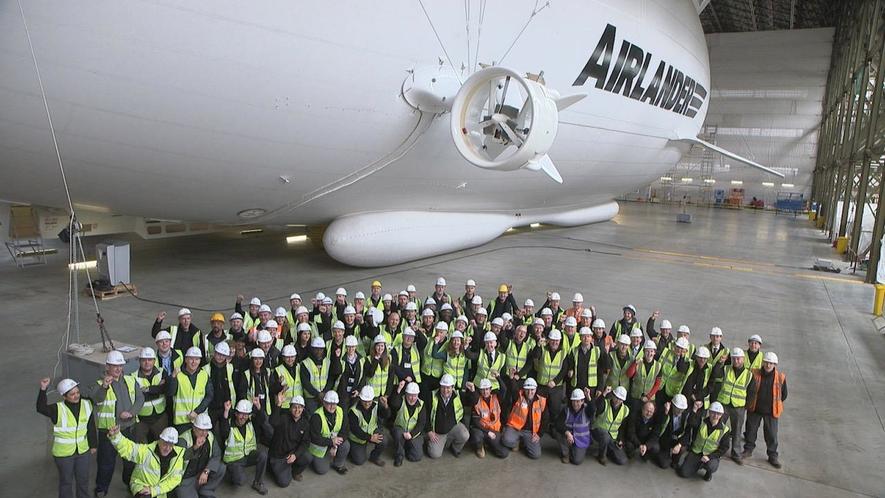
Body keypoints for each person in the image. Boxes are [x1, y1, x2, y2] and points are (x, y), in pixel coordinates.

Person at [88, 350, 143, 496]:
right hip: (109, 431)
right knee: (106, 462)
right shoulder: (100, 384)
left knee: (130, 460)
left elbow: (140, 399)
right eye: (114, 366)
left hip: (128, 428)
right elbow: (96, 399)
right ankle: (101, 488)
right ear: (107, 367)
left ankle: (130, 483)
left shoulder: (130, 380)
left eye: (120, 366)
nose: (118, 369)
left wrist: (131, 413)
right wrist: (104, 387)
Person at [37, 377, 97, 498]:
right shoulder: (57, 409)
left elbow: (90, 426)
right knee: (66, 483)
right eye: (72, 394)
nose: (76, 396)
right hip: (64, 455)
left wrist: (93, 445)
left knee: (83, 481)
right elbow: (41, 408)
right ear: (64, 396)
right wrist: (43, 389)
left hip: (83, 451)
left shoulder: (87, 404)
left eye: (77, 392)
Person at [108, 425, 185, 497]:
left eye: (171, 445)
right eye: (165, 443)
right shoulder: (146, 452)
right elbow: (129, 449)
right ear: (160, 440)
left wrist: (153, 490)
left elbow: (174, 479)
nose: (167, 448)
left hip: (159, 491)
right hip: (141, 485)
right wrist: (116, 436)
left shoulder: (177, 457)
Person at [713, 347, 756, 465]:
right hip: (724, 404)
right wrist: (720, 362)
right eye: (734, 359)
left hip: (738, 407)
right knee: (718, 428)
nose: (736, 361)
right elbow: (715, 374)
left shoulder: (748, 375)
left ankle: (736, 454)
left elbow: (752, 392)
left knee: (737, 431)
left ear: (743, 359)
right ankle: (714, 450)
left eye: (738, 359)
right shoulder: (726, 369)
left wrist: (746, 405)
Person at [743, 351, 786, 468]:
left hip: (771, 412)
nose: (768, 365)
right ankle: (748, 449)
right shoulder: (754, 373)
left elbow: (784, 394)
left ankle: (772, 455)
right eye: (766, 363)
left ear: (775, 365)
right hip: (755, 409)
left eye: (771, 363)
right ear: (763, 363)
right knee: (750, 431)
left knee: (771, 435)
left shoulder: (780, 377)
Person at [219, 398, 269, 494]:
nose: (243, 417)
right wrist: (226, 411)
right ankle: (230, 474)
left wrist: (258, 406)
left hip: (248, 456)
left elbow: (262, 419)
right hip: (234, 460)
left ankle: (258, 483)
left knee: (263, 455)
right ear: (236, 414)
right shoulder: (229, 425)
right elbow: (224, 432)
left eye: (246, 415)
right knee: (240, 481)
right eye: (241, 414)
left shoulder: (250, 423)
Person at [677, 401, 730, 481]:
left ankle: (708, 473)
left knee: (711, 466)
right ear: (709, 412)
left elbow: (724, 448)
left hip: (711, 456)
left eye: (718, 414)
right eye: (713, 413)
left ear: (721, 415)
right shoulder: (701, 422)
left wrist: (709, 457)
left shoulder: (724, 430)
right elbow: (691, 423)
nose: (715, 416)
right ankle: (695, 465)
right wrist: (694, 409)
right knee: (683, 473)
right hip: (696, 452)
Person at [267, 393, 312, 487]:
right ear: (290, 408)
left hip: (292, 453)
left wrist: (295, 455)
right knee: (284, 483)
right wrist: (278, 405)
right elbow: (273, 422)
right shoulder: (283, 418)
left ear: (303, 409)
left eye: (300, 407)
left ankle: (294, 471)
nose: (297, 410)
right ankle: (273, 467)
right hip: (279, 455)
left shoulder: (305, 423)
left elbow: (305, 442)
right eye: (294, 407)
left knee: (307, 457)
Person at [176, 413, 225, 498]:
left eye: (206, 430)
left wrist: (206, 471)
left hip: (201, 471)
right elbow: (178, 459)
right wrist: (195, 447)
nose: (204, 433)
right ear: (194, 428)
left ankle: (206, 491)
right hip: (186, 478)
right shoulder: (183, 439)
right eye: (201, 430)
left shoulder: (210, 436)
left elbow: (217, 455)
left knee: (221, 467)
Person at [167, 347, 212, 433]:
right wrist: (173, 377)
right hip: (181, 422)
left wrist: (197, 411)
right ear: (186, 359)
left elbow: (209, 396)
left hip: (199, 419)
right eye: (191, 359)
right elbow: (170, 392)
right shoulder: (178, 375)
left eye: (197, 359)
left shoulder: (204, 375)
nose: (194, 362)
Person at [502, 377, 547, 459]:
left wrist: (539, 434)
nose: (529, 392)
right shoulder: (518, 396)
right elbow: (513, 388)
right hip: (516, 428)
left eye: (532, 390)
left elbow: (545, 419)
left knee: (535, 455)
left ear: (536, 389)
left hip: (530, 432)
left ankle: (524, 442)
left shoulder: (541, 401)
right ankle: (517, 442)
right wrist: (512, 378)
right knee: (506, 441)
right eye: (527, 390)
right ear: (523, 389)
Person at [426, 373, 470, 458]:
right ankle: (441, 442)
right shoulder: (431, 396)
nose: (445, 390)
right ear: (440, 386)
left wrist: (472, 391)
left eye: (448, 387)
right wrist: (429, 431)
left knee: (465, 435)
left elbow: (472, 401)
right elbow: (425, 415)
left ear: (452, 387)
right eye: (443, 387)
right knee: (434, 454)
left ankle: (455, 448)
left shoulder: (458, 395)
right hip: (437, 431)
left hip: (453, 427)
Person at [308, 391, 350, 475]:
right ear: (323, 403)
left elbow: (345, 429)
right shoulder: (317, 416)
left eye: (334, 404)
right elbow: (314, 438)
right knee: (322, 470)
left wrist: (335, 445)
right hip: (318, 448)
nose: (332, 406)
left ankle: (338, 464)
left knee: (345, 445)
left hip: (332, 443)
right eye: (329, 403)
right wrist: (331, 442)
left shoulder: (340, 411)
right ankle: (314, 459)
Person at [131, 348, 168, 443]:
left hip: (160, 418)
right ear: (139, 361)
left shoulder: (162, 372)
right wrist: (157, 389)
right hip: (141, 419)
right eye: (144, 360)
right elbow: (137, 396)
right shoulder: (133, 377)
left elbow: (165, 389)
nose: (147, 362)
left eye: (150, 360)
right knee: (140, 448)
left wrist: (147, 389)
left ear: (154, 361)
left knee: (162, 444)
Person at [466, 378, 509, 459]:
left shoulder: (497, 398)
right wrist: (487, 432)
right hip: (482, 430)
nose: (485, 392)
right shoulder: (477, 400)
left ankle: (489, 443)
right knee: (476, 436)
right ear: (480, 390)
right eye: (483, 390)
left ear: (490, 389)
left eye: (487, 389)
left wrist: (498, 377)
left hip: (494, 431)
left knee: (504, 453)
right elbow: (476, 422)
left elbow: (504, 389)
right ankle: (479, 447)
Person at [347, 385, 388, 466]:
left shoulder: (376, 405)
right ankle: (351, 450)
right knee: (359, 461)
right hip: (357, 438)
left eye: (369, 401)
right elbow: (355, 430)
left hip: (372, 432)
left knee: (384, 441)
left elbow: (385, 416)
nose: (367, 404)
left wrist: (385, 406)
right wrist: (370, 438)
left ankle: (374, 457)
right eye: (364, 401)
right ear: (360, 399)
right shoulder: (353, 411)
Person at [390, 382, 427, 466]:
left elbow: (421, 423)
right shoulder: (401, 400)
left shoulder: (421, 404)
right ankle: (399, 455)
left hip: (413, 432)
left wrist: (411, 434)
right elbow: (394, 404)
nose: (412, 398)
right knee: (398, 433)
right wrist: (398, 390)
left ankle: (406, 446)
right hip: (400, 429)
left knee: (416, 456)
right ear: (406, 394)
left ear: (418, 395)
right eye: (410, 395)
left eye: (415, 395)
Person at [656, 394, 698, 469]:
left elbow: (687, 433)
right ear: (672, 405)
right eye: (677, 408)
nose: (679, 411)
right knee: (664, 464)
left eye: (682, 409)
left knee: (682, 448)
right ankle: (663, 454)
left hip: (677, 441)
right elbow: (659, 426)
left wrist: (679, 445)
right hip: (665, 441)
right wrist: (665, 413)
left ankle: (675, 461)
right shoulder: (665, 411)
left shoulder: (686, 415)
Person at [591, 386, 630, 465]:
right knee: (605, 437)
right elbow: (597, 405)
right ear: (613, 395)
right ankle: (601, 456)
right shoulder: (605, 403)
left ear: (623, 400)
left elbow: (623, 427)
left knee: (622, 460)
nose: (617, 400)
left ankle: (608, 450)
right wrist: (604, 394)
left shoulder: (625, 410)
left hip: (613, 437)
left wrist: (620, 439)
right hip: (598, 431)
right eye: (616, 397)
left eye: (620, 399)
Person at [554, 389, 594, 465]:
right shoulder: (566, 410)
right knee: (556, 431)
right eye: (573, 401)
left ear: (582, 401)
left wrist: (588, 397)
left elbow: (593, 409)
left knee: (577, 461)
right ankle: (566, 454)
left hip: (581, 440)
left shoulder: (587, 410)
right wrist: (567, 433)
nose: (575, 404)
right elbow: (558, 424)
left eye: (578, 401)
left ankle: (574, 450)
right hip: (569, 437)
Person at [205, 342, 239, 429]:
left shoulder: (230, 367)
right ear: (214, 353)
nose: (220, 357)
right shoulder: (205, 369)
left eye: (223, 355)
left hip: (226, 406)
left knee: (226, 432)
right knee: (209, 430)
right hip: (211, 407)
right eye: (218, 354)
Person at [566, 326, 605, 402]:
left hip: (591, 388)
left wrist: (600, 388)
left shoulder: (597, 351)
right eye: (583, 336)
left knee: (590, 410)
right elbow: (569, 367)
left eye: (588, 336)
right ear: (580, 338)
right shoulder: (574, 351)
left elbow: (600, 371)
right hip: (577, 386)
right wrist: (570, 370)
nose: (586, 339)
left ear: (591, 338)